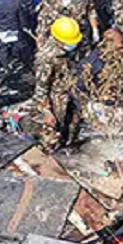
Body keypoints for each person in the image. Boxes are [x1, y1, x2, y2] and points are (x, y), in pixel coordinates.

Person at [32, 16, 85, 149]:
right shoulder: (47, 58)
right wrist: (47, 111)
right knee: (53, 133)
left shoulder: (67, 50)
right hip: (55, 100)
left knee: (72, 124)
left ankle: (68, 146)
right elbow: (41, 89)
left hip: (70, 93)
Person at [0, 0, 30, 95]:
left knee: (3, 58)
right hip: (15, 32)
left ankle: (6, 77)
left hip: (1, 34)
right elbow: (22, 19)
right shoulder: (15, 3)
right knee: (17, 58)